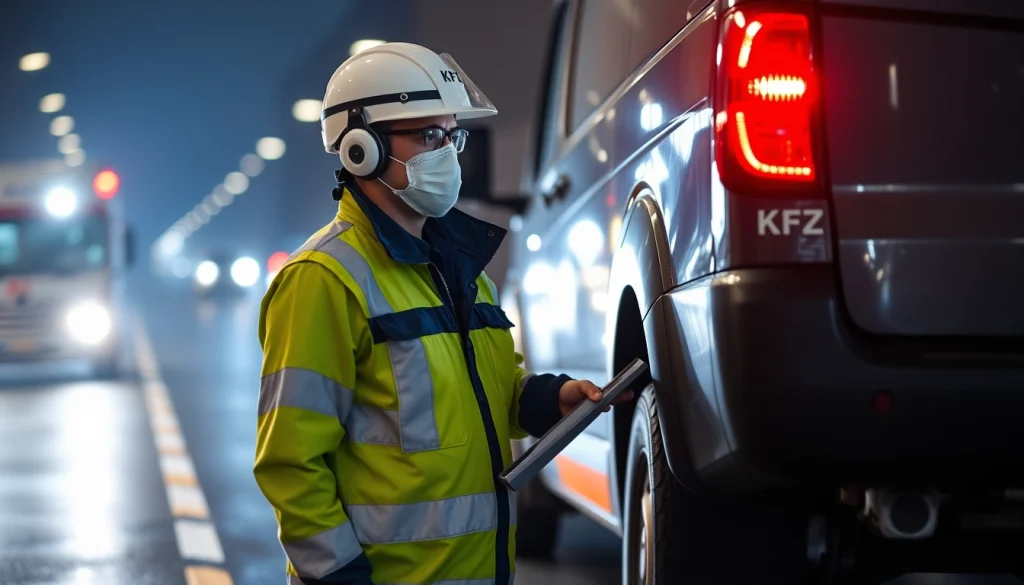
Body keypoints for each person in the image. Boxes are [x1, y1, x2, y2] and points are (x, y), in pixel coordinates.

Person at [253, 42, 632, 585]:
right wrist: (338, 578)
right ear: (362, 148)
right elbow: (290, 464)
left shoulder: (461, 270)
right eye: (427, 136)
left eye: (452, 136)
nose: (448, 154)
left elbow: (480, 398)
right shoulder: (322, 279)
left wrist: (549, 399)